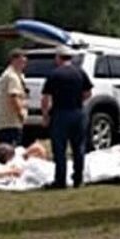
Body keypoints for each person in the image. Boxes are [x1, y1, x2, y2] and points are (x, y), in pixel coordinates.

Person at [40, 47, 93, 189]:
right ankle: (78, 179)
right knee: (79, 147)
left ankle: (60, 180)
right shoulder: (80, 72)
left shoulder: (54, 74)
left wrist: (45, 116)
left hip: (60, 113)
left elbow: (46, 98)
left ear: (58, 58)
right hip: (78, 112)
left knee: (59, 149)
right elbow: (88, 93)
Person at [0, 49, 28, 145]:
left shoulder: (16, 75)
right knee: (11, 150)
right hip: (11, 122)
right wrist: (21, 113)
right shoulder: (12, 76)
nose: (23, 64)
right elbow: (14, 97)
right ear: (13, 60)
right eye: (21, 61)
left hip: (8, 122)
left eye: (24, 62)